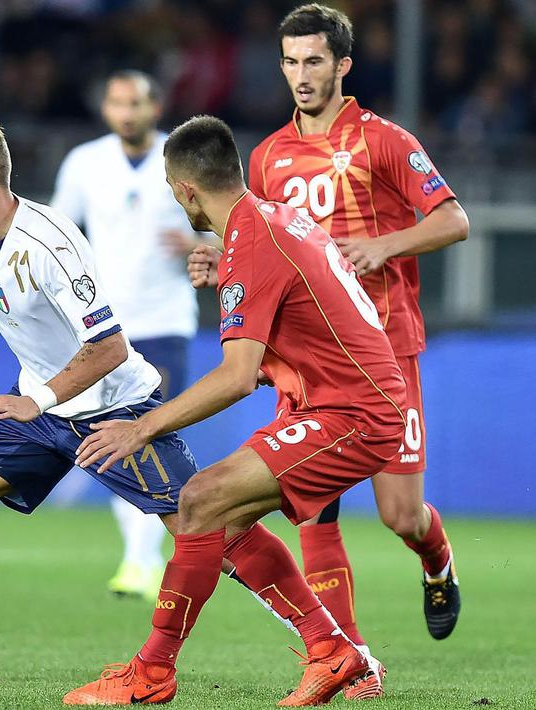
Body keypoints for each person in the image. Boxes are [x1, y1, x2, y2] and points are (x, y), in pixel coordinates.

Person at [0, 110, 359, 699]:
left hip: (113, 407)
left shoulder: (50, 242)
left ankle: (334, 647)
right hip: (39, 406)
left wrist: (35, 400)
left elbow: (108, 347)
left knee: (218, 525)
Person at [63, 115, 404, 706]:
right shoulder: (275, 218)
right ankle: (331, 650)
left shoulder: (252, 242)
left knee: (198, 500)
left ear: (186, 190)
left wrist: (142, 427)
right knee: (227, 523)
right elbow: (304, 294)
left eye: (174, 190)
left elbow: (236, 378)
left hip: (355, 413)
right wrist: (228, 273)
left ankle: (151, 672)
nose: (176, 199)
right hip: (334, 402)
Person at [192, 2, 469, 654]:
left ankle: (434, 559)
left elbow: (453, 220)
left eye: (313, 60)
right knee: (313, 507)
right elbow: (256, 242)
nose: (300, 74)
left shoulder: (385, 140)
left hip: (384, 349)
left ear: (342, 64)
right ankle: (347, 656)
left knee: (400, 514)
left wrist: (387, 245)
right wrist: (217, 259)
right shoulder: (265, 158)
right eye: (289, 61)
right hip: (310, 359)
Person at [52, 70, 212, 598]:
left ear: (155, 106)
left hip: (165, 319)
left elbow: (225, 225)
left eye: (136, 103)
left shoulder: (183, 156)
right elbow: (58, 234)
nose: (127, 112)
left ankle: (141, 560)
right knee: (120, 437)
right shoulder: (85, 162)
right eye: (117, 102)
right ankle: (141, 557)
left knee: (147, 432)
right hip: (104, 327)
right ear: (105, 108)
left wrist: (195, 241)